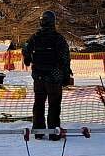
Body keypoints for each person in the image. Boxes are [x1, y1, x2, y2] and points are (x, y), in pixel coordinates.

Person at [21, 10, 72, 138]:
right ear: (53, 22)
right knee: (54, 105)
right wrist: (66, 76)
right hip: (54, 78)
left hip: (38, 77)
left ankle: (38, 131)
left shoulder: (35, 37)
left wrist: (28, 59)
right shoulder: (58, 38)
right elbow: (65, 58)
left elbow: (25, 49)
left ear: (41, 22)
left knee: (38, 104)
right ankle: (54, 133)